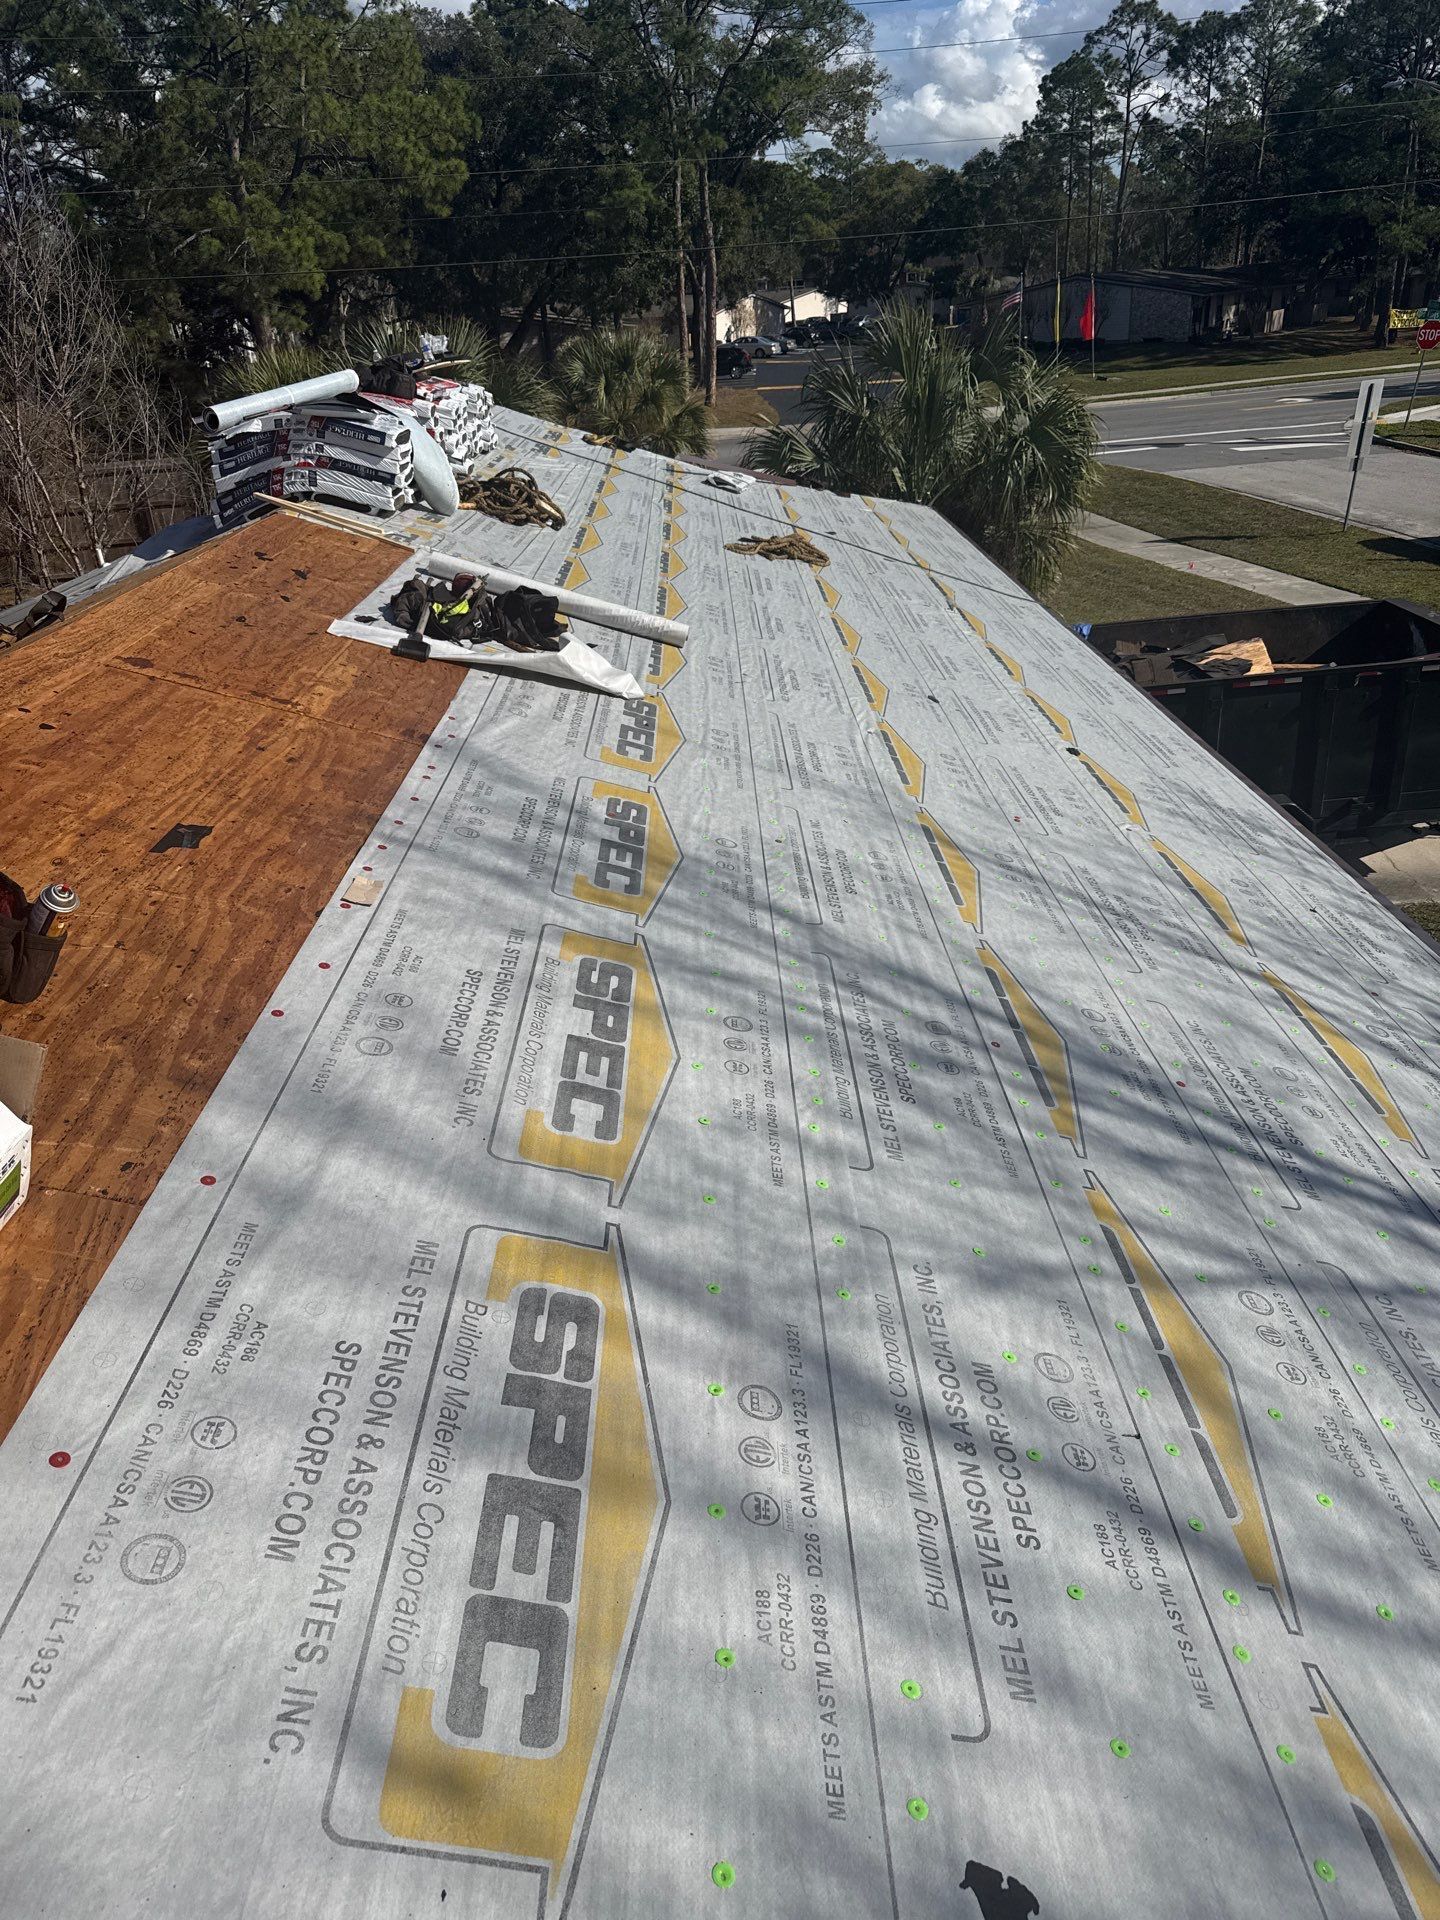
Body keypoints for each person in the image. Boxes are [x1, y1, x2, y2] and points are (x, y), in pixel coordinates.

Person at [391, 571, 484, 645]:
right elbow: (470, 629)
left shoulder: (421, 597)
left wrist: (413, 624)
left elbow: (401, 613)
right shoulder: (472, 611)